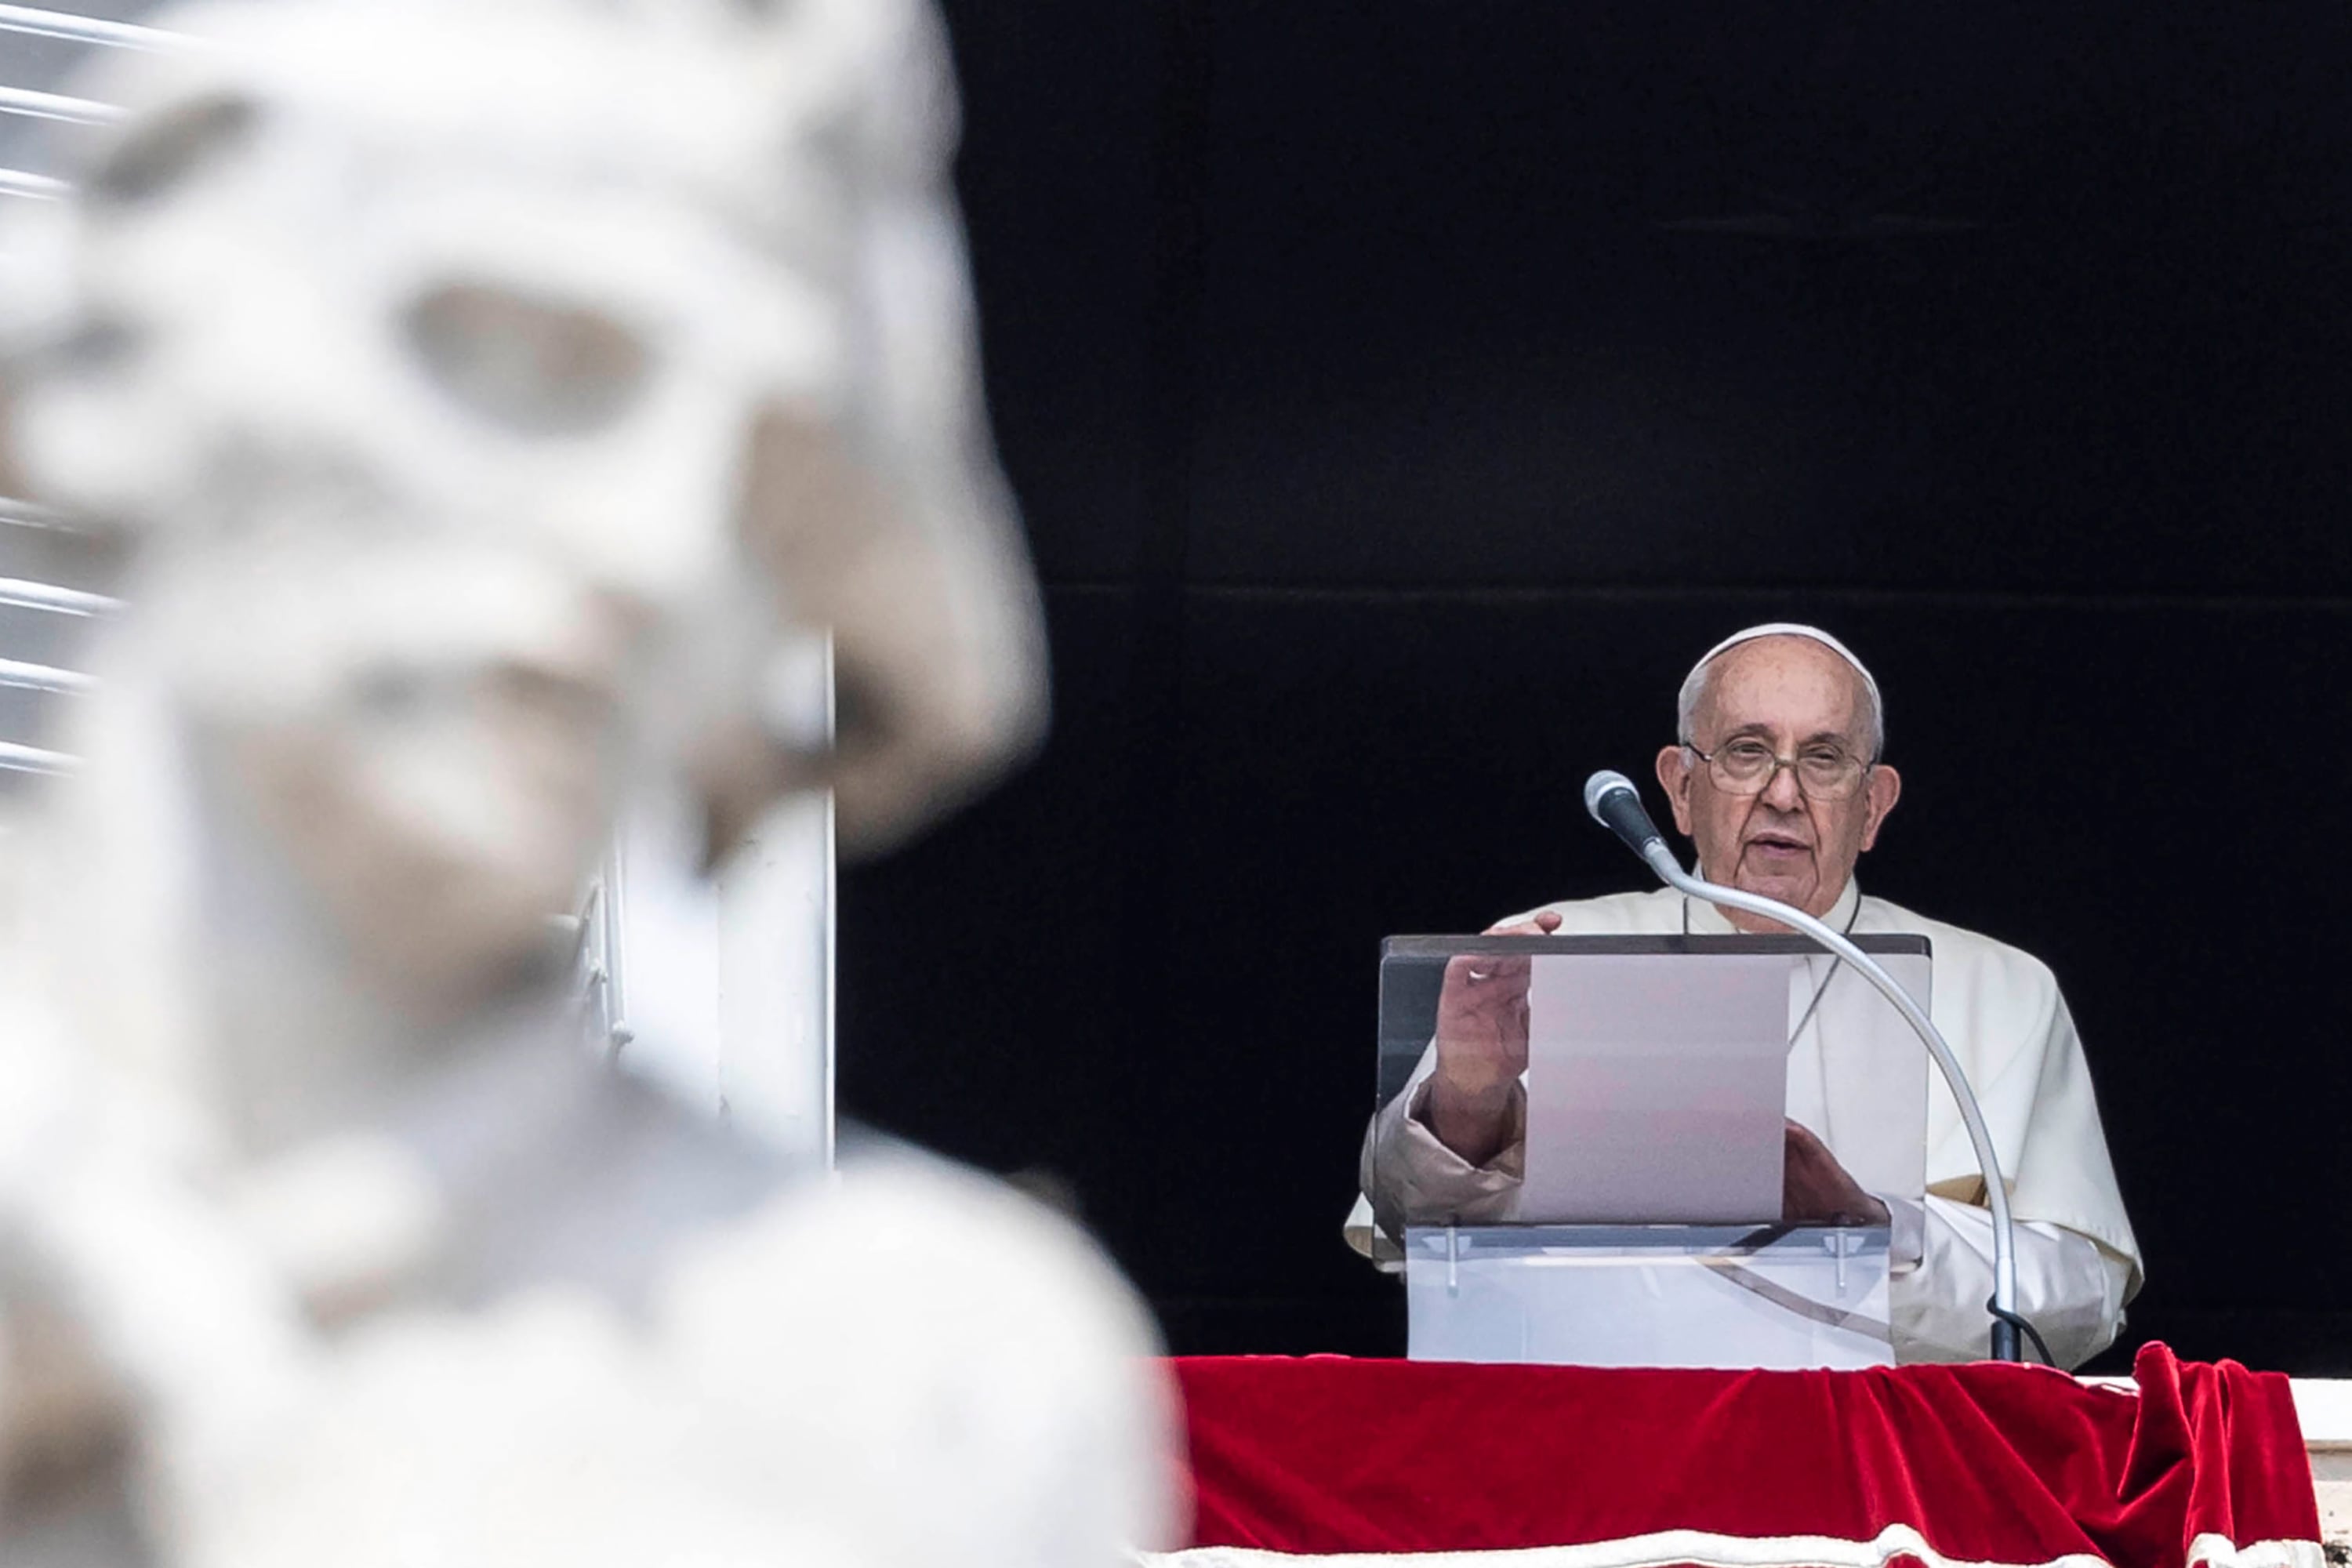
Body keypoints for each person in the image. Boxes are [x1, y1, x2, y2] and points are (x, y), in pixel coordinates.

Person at [1348, 623, 2142, 1367]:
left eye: (1824, 757)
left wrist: (1872, 1232)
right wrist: (1469, 1101)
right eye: (1746, 750)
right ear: (1681, 787)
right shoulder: (1544, 955)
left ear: (1873, 805)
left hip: (1879, 1473)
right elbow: (1405, 1221)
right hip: (1591, 1450)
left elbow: (2080, 1298)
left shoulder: (2002, 988)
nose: (1784, 793)